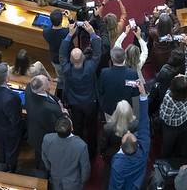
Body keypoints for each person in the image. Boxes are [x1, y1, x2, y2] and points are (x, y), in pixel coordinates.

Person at [60, 22, 102, 156]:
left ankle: (78, 150)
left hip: (75, 102)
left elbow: (62, 54)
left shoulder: (67, 70)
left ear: (70, 60)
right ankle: (92, 151)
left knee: (77, 127)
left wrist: (70, 35)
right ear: (83, 57)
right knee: (92, 128)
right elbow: (97, 53)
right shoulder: (90, 67)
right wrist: (92, 34)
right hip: (90, 102)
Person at [159, 35, 187, 161]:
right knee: (183, 143)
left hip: (172, 126)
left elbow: (164, 116)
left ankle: (166, 161)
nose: (180, 73)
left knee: (168, 146)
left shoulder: (170, 97)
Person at [109, 81, 150, 190]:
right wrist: (143, 94)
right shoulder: (144, 147)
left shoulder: (117, 164)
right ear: (138, 145)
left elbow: (114, 186)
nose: (128, 132)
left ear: (120, 147)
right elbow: (144, 120)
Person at [25, 75, 66, 168]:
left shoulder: (30, 88)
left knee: (39, 154)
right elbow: (54, 126)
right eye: (47, 81)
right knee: (44, 160)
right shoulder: (45, 109)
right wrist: (64, 114)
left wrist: (58, 100)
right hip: (43, 137)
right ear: (43, 88)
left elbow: (47, 95)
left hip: (35, 129)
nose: (49, 81)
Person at [42, 115, 91, 190]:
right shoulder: (81, 146)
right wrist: (82, 180)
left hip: (55, 178)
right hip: (73, 183)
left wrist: (50, 169)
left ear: (56, 129)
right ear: (72, 128)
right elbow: (85, 168)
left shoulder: (47, 139)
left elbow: (44, 158)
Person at [99, 46, 139, 119]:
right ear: (124, 57)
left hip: (109, 109)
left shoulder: (104, 73)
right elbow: (135, 93)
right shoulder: (132, 74)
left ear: (111, 59)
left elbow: (100, 90)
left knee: (110, 128)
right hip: (126, 109)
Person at [101, 100, 137, 165]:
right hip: (130, 154)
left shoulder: (107, 127)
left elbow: (104, 146)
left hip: (113, 156)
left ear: (116, 112)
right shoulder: (136, 125)